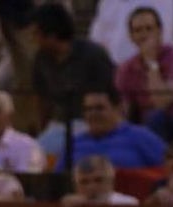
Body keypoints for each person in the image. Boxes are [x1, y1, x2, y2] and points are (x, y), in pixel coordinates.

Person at [30, 2, 116, 159]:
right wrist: (42, 129)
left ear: (52, 36)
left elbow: (112, 98)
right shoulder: (41, 59)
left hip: (91, 123)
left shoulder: (93, 56)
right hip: (59, 125)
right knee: (36, 155)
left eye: (37, 34)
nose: (33, 39)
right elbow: (40, 99)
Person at [115, 6, 173, 141]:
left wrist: (151, 63)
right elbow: (122, 113)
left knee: (156, 116)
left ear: (160, 31)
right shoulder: (126, 68)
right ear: (131, 36)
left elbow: (161, 101)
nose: (144, 35)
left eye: (149, 29)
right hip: (149, 131)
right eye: (138, 30)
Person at [63, 87, 167, 169]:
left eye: (99, 108)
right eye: (88, 109)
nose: (93, 114)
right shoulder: (74, 143)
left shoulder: (141, 136)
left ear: (118, 109)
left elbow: (169, 169)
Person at [89, 0, 173, 64]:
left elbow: (159, 39)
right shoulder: (107, 2)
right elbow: (96, 39)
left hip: (153, 68)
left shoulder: (163, 2)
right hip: (111, 68)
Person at [60, 154, 140, 207]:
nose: (91, 187)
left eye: (98, 180)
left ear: (111, 181)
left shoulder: (129, 204)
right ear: (75, 186)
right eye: (84, 182)